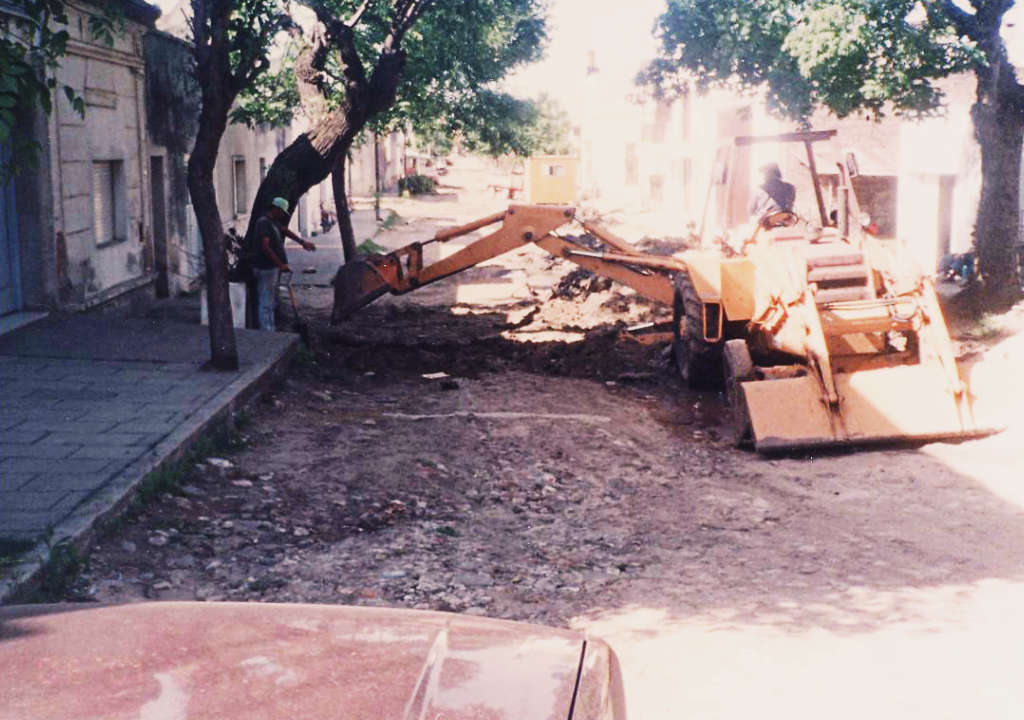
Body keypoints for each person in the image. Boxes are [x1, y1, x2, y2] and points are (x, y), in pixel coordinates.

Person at [252, 197, 316, 330]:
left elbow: (285, 230)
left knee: (271, 300)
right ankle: (267, 332)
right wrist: (280, 264)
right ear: (276, 209)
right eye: (282, 212)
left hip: (272, 268)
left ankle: (271, 328)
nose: (283, 215)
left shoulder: (272, 221)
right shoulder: (264, 222)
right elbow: (265, 247)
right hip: (266, 267)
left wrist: (302, 242)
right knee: (266, 301)